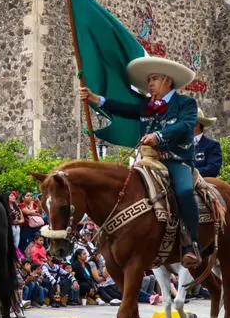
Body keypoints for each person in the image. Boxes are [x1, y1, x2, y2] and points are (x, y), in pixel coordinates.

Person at [81, 55, 205, 272]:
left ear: (167, 80)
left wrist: (158, 136)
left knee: (184, 192)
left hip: (176, 161)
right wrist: (95, 99)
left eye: (154, 79)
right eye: (149, 80)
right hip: (147, 161)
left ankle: (191, 243)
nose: (150, 84)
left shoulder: (186, 104)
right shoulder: (147, 106)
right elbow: (123, 108)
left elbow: (185, 126)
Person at [193, 110, 224, 179]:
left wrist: (192, 172)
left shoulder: (212, 145)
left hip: (202, 180)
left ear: (197, 124)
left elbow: (213, 169)